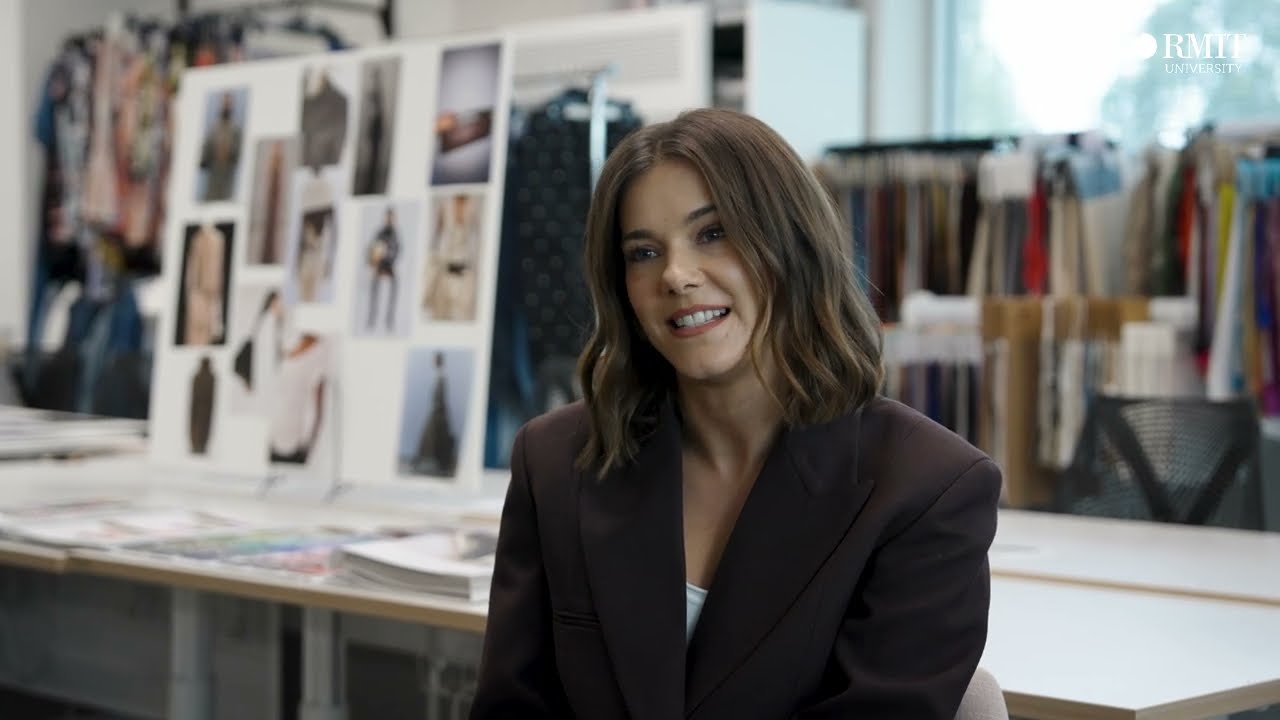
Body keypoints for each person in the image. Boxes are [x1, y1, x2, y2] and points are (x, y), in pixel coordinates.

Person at [470, 109, 1001, 719]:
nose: (675, 275)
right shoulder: (553, 463)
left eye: (713, 232)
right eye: (644, 252)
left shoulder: (929, 490)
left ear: (792, 242)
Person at [366, 207, 400, 331]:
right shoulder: (379, 233)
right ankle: (372, 318)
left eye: (391, 217)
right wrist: (376, 262)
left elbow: (397, 251)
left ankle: (389, 319)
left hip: (389, 265)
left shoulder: (395, 234)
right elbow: (373, 250)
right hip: (379, 265)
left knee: (395, 285)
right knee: (374, 286)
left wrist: (388, 256)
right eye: (388, 217)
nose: (389, 219)